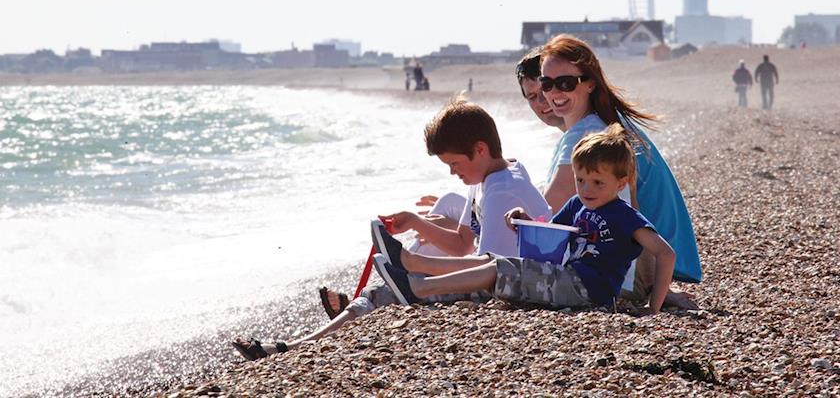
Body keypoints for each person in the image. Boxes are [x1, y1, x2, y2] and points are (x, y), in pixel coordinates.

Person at [231, 99, 551, 360]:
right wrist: (415, 221)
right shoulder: (490, 178)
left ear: (480, 149)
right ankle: (318, 333)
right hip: (498, 275)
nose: (453, 172)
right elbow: (461, 244)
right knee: (387, 287)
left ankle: (294, 347)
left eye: (454, 163)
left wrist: (422, 274)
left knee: (386, 291)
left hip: (516, 287)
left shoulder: (500, 192)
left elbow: (492, 270)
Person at [373, 124, 676, 315]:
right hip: (563, 278)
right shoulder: (577, 204)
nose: (587, 189)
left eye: (598, 183)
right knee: (492, 260)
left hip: (589, 293)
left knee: (501, 267)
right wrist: (523, 220)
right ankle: (413, 265)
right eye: (581, 180)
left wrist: (654, 306)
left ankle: (418, 288)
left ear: (621, 183)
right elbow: (549, 233)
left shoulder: (624, 216)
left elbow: (665, 252)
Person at [536, 35, 702, 299]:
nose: (554, 93)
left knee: (496, 270)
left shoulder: (586, 134)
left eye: (565, 83)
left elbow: (546, 212)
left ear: (590, 83)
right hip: (643, 267)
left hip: (623, 275)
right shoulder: (607, 125)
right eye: (546, 83)